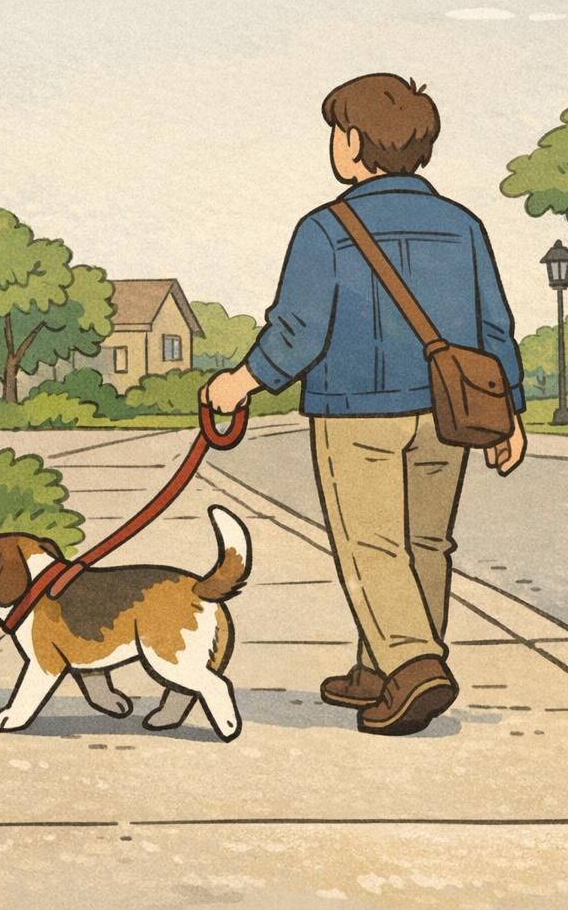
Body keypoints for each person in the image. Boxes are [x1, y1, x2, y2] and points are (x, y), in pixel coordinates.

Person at [202, 73, 526, 737]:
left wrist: (240, 381)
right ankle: (380, 669)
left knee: (370, 542)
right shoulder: (462, 226)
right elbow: (494, 325)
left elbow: (297, 330)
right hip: (451, 412)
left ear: (353, 144)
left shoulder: (326, 229)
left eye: (336, 132)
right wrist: (510, 410)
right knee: (425, 542)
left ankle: (411, 667)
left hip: (357, 411)